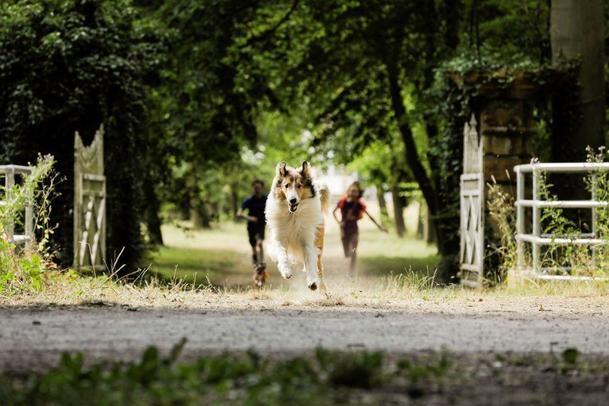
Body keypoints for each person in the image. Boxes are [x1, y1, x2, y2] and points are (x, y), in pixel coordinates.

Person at [333, 181, 387, 276]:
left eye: (356, 191)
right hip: (344, 230)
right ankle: (349, 257)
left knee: (353, 250)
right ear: (348, 191)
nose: (354, 193)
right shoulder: (342, 202)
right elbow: (334, 212)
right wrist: (339, 223)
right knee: (347, 254)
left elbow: (370, 216)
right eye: (352, 191)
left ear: (358, 193)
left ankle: (351, 272)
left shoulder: (359, 204)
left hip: (354, 230)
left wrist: (380, 227)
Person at [237, 180, 268, 287]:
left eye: (259, 188)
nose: (257, 189)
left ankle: (262, 264)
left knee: (260, 243)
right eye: (255, 188)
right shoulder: (248, 200)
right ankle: (256, 268)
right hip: (251, 226)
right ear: (253, 188)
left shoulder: (266, 199)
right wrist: (249, 218)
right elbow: (239, 213)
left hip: (261, 225)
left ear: (262, 188)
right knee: (254, 249)